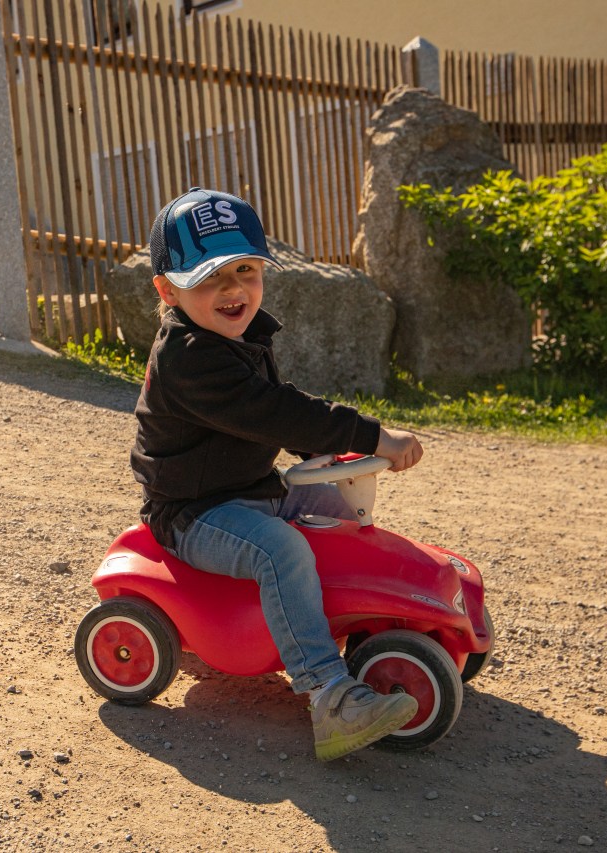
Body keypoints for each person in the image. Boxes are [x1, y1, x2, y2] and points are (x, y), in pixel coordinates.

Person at [130, 187, 425, 761]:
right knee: (280, 551)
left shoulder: (240, 336)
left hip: (248, 490)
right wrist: (370, 435)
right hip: (195, 513)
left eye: (246, 269)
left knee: (340, 508)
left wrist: (333, 454)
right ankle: (331, 696)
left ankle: (358, 627)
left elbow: (271, 407)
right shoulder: (190, 356)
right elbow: (275, 412)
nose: (234, 289)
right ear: (167, 290)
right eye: (210, 277)